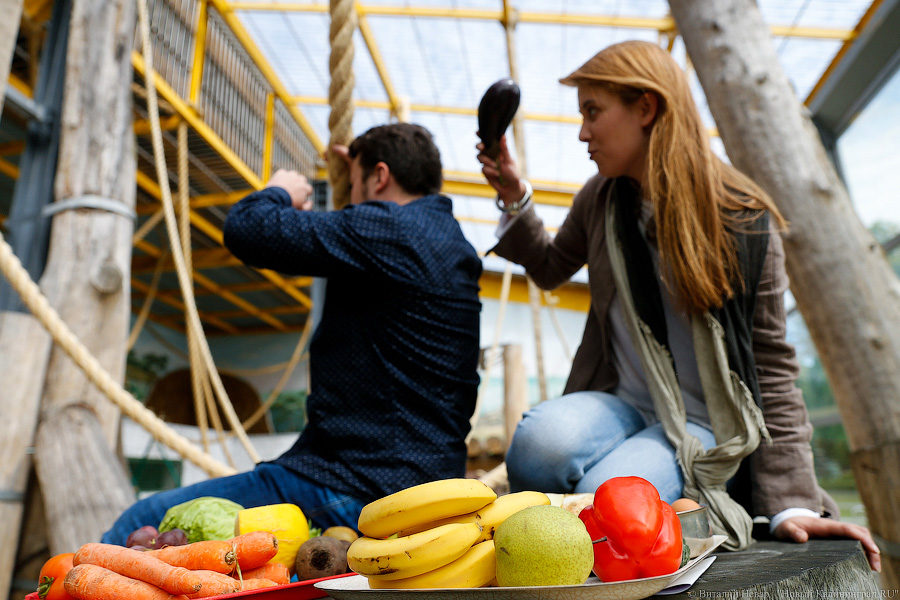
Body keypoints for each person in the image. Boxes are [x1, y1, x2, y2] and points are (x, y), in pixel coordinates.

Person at [476, 40, 880, 570]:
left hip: (705, 423)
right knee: (537, 446)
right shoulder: (601, 197)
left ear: (646, 108)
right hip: (621, 401)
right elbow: (551, 267)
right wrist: (514, 197)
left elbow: (774, 370)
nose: (582, 133)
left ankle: (702, 504)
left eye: (593, 112)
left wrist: (792, 502)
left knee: (607, 499)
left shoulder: (743, 219)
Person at [102, 123, 483, 544]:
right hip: (425, 485)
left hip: (357, 487)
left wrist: (281, 191)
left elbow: (248, 226)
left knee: (141, 522)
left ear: (380, 177)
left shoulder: (391, 228)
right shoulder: (450, 243)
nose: (350, 200)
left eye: (353, 184)